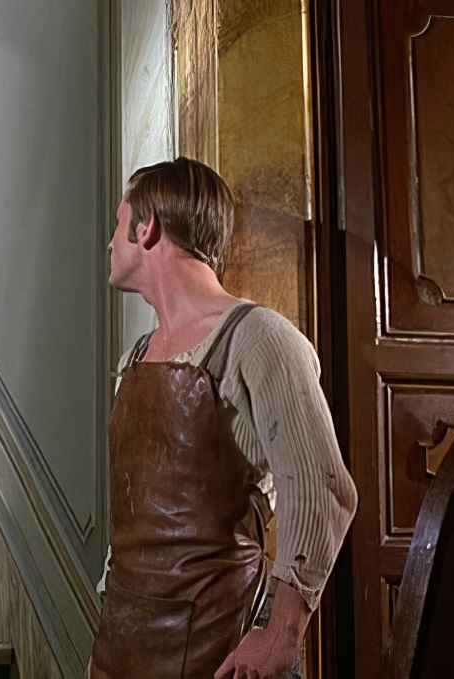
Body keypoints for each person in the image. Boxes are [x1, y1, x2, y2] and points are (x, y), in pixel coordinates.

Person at [90, 158, 357, 678]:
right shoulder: (136, 357)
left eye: (118, 224)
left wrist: (279, 634)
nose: (109, 243)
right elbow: (135, 527)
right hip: (126, 648)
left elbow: (321, 487)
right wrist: (104, 651)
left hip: (223, 652)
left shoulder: (258, 339)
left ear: (147, 228)